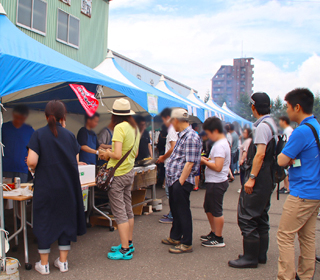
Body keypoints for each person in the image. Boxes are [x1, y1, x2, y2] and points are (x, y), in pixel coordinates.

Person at [27, 101, 86, 275]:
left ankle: (43, 265)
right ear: (63, 117)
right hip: (67, 187)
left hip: (46, 187)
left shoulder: (38, 135)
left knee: (44, 221)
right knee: (65, 221)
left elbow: (31, 161)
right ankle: (63, 262)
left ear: (46, 116)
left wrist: (33, 168)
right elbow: (75, 161)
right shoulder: (70, 136)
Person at [228, 92, 277, 269]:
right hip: (269, 176)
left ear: (253, 107)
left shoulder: (263, 126)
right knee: (261, 216)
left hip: (260, 176)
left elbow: (260, 154)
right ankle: (259, 255)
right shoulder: (273, 124)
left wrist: (251, 178)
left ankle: (250, 257)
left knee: (247, 217)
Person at [277, 88, 320, 280]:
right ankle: (305, 275)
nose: (287, 111)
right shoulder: (316, 126)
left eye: (287, 107)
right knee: (307, 237)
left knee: (285, 235)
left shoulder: (301, 131)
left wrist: (284, 157)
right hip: (315, 192)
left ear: (297, 107)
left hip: (302, 192)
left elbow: (281, 160)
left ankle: (286, 277)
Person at [99, 98, 140, 261]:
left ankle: (124, 250)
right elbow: (134, 154)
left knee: (119, 212)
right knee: (128, 209)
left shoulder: (119, 127)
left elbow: (115, 154)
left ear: (114, 115)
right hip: (129, 173)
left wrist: (105, 154)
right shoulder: (135, 128)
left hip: (117, 174)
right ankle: (128, 243)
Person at [161, 108, 201, 254]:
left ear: (176, 120)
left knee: (183, 211)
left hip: (181, 180)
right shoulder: (183, 135)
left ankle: (186, 242)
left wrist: (180, 182)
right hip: (175, 179)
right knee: (176, 210)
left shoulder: (190, 137)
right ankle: (175, 236)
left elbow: (189, 163)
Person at [200, 117, 230, 248]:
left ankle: (218, 237)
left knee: (216, 209)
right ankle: (213, 232)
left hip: (217, 182)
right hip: (214, 181)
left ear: (216, 130)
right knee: (208, 207)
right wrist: (208, 160)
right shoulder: (221, 143)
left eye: (209, 133)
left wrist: (204, 161)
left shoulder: (220, 145)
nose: (208, 136)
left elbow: (218, 167)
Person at [2, 105, 34, 183]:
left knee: (21, 193)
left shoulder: (29, 130)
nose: (18, 121)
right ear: (13, 115)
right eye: (17, 117)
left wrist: (30, 157)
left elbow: (34, 147)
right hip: (6, 168)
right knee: (6, 193)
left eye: (21, 118)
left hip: (22, 169)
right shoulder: (4, 128)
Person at [157, 108, 178, 224]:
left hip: (171, 164)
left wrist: (163, 157)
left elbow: (173, 147)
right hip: (172, 163)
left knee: (170, 191)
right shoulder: (174, 129)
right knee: (171, 190)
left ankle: (172, 214)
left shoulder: (171, 130)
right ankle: (172, 213)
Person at [278, 116, 294, 194]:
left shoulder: (288, 130)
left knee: (286, 171)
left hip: (287, 154)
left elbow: (287, 143)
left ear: (284, 121)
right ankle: (286, 187)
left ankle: (287, 188)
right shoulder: (288, 129)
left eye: (280, 121)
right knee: (285, 171)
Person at [192, 123, 200, 191]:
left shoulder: (192, 135)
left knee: (194, 172)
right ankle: (196, 186)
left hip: (193, 155)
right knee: (197, 172)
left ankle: (194, 185)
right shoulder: (196, 134)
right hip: (197, 154)